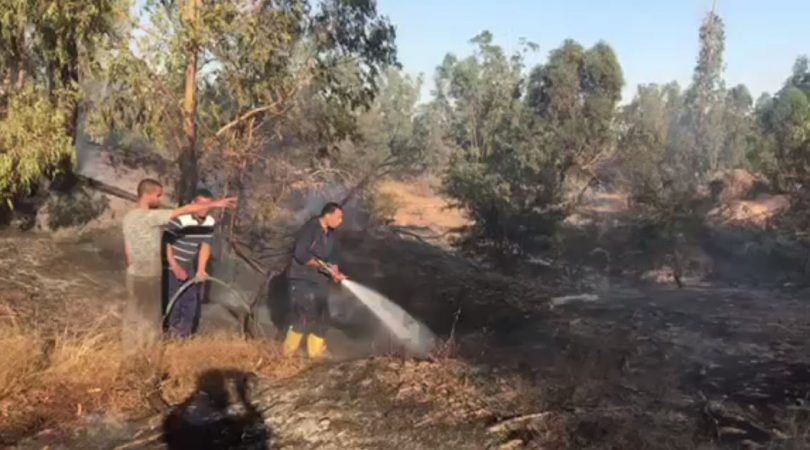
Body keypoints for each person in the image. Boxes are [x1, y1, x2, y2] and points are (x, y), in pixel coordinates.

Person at [122, 179, 236, 353]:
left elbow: (205, 244)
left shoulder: (130, 217)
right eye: (158, 195)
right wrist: (217, 203)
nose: (160, 200)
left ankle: (178, 340)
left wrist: (200, 269)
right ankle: (156, 347)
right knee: (158, 311)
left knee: (188, 303)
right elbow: (180, 216)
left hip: (143, 272)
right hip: (160, 270)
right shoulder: (157, 217)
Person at [283, 202, 347, 359]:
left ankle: (315, 355)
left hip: (320, 280)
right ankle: (287, 354)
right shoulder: (310, 229)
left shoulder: (331, 233)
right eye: (339, 217)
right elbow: (301, 255)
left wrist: (336, 272)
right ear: (327, 215)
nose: (341, 221)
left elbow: (333, 257)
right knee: (303, 317)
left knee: (323, 317)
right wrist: (325, 268)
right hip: (302, 277)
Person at [165, 188, 217, 339]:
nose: (204, 209)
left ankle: (184, 334)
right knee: (173, 299)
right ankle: (170, 334)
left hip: (189, 264)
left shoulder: (209, 221)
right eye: (200, 204)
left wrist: (201, 269)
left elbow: (205, 246)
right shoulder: (180, 219)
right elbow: (167, 243)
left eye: (208, 205)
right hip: (171, 264)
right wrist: (174, 266)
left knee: (191, 299)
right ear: (193, 204)